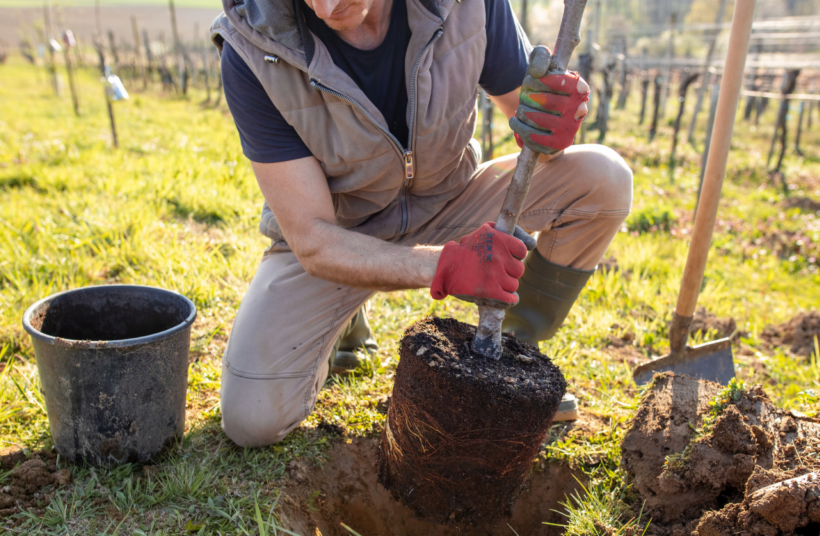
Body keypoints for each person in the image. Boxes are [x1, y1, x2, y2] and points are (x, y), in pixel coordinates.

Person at [211, 0, 633, 446]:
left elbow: (529, 128)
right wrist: (444, 267)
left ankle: (509, 362)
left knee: (603, 179)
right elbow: (313, 239)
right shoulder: (254, 48)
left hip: (451, 199)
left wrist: (550, 125)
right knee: (251, 420)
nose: (329, 5)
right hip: (341, 236)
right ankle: (342, 322)